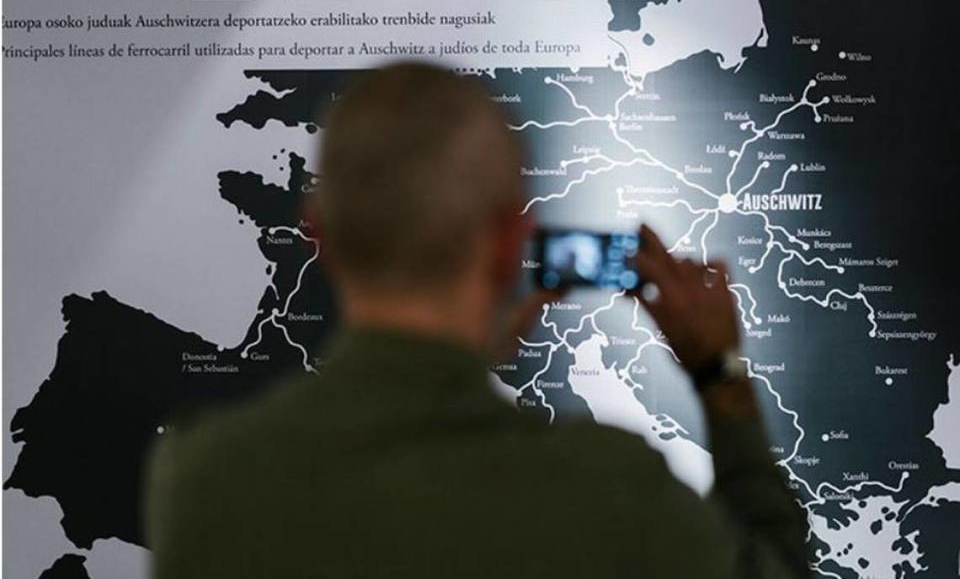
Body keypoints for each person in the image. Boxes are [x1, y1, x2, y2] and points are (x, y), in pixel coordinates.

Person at [144, 62, 810, 578]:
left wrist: (454, 364)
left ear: (318, 236)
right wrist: (719, 375)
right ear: (507, 240)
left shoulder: (201, 480)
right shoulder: (609, 493)